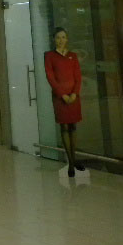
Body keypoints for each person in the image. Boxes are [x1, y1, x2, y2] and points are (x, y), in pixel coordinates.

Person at [44, 27, 85, 178]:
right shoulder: (49, 56)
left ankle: (74, 159)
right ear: (54, 39)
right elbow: (50, 77)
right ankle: (71, 163)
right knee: (64, 127)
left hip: (73, 96)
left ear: (67, 39)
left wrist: (74, 93)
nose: (61, 40)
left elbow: (78, 76)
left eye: (63, 37)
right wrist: (62, 95)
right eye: (58, 37)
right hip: (60, 97)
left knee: (73, 126)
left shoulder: (73, 56)